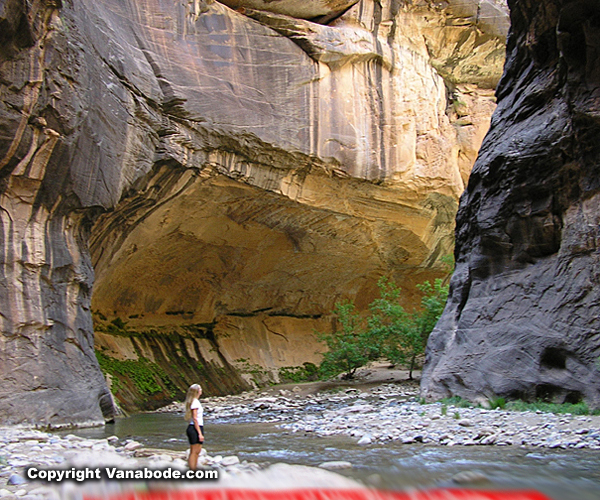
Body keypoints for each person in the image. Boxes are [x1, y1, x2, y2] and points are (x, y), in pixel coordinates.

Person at [184, 383, 204, 469]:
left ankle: (194, 468)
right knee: (194, 451)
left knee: (197, 451)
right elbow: (195, 418)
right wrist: (199, 433)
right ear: (197, 391)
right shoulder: (195, 402)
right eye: (200, 389)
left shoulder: (194, 401)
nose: (201, 391)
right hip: (195, 427)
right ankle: (192, 471)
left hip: (196, 426)